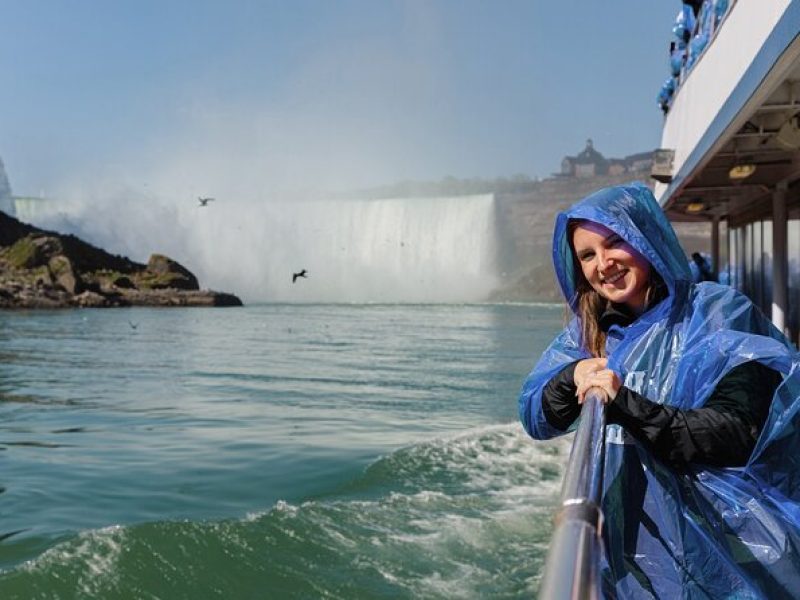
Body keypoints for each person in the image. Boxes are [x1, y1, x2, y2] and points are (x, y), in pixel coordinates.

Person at [519, 182, 800, 598]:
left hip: (730, 548)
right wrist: (571, 377)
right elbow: (536, 416)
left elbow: (735, 431)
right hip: (635, 554)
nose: (604, 263)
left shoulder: (716, 312)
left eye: (615, 242)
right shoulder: (591, 334)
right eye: (587, 255)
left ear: (645, 236)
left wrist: (626, 405)